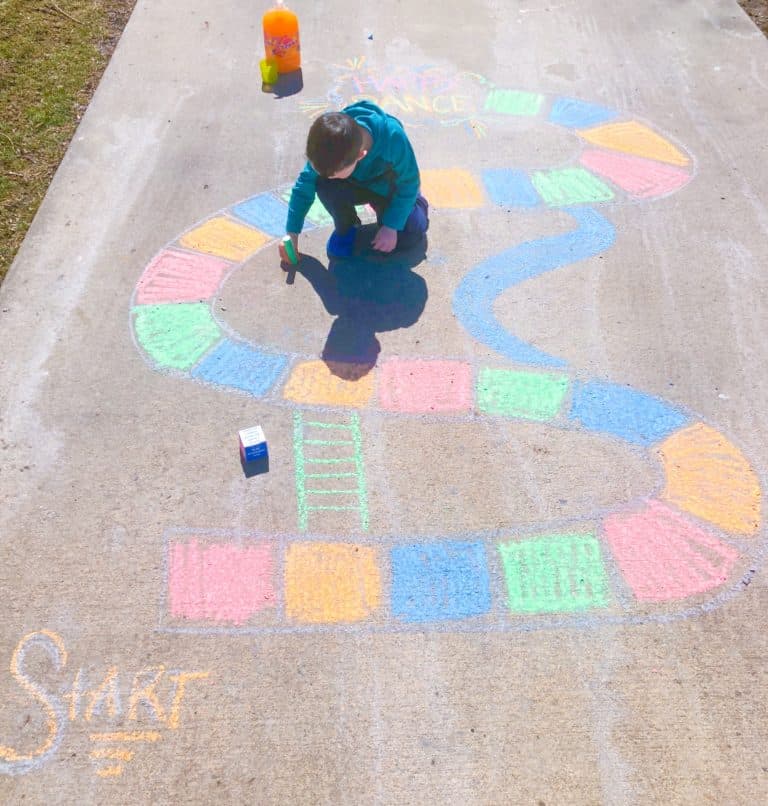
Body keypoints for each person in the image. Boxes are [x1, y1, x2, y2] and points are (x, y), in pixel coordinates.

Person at [280, 100, 429, 263]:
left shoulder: (393, 138)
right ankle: (348, 225)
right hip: (357, 184)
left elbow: (409, 182)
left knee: (409, 235)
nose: (328, 176)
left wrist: (391, 226)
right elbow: (303, 188)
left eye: (334, 174)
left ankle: (417, 204)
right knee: (321, 182)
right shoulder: (329, 142)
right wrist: (292, 233)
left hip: (389, 189)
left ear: (360, 155)